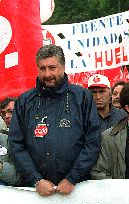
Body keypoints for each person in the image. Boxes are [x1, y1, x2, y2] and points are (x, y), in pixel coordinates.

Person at [9, 45, 101, 196]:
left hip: (77, 189)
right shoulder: (25, 101)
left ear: (63, 67)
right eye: (42, 68)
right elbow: (16, 144)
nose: (47, 74)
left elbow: (93, 140)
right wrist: (36, 179)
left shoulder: (82, 97)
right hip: (35, 190)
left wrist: (72, 178)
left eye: (52, 67)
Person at [0, 98, 23, 186]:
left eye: (11, 111)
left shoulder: (31, 139)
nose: (7, 116)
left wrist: (1, 168)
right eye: (3, 113)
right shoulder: (3, 136)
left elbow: (24, 178)